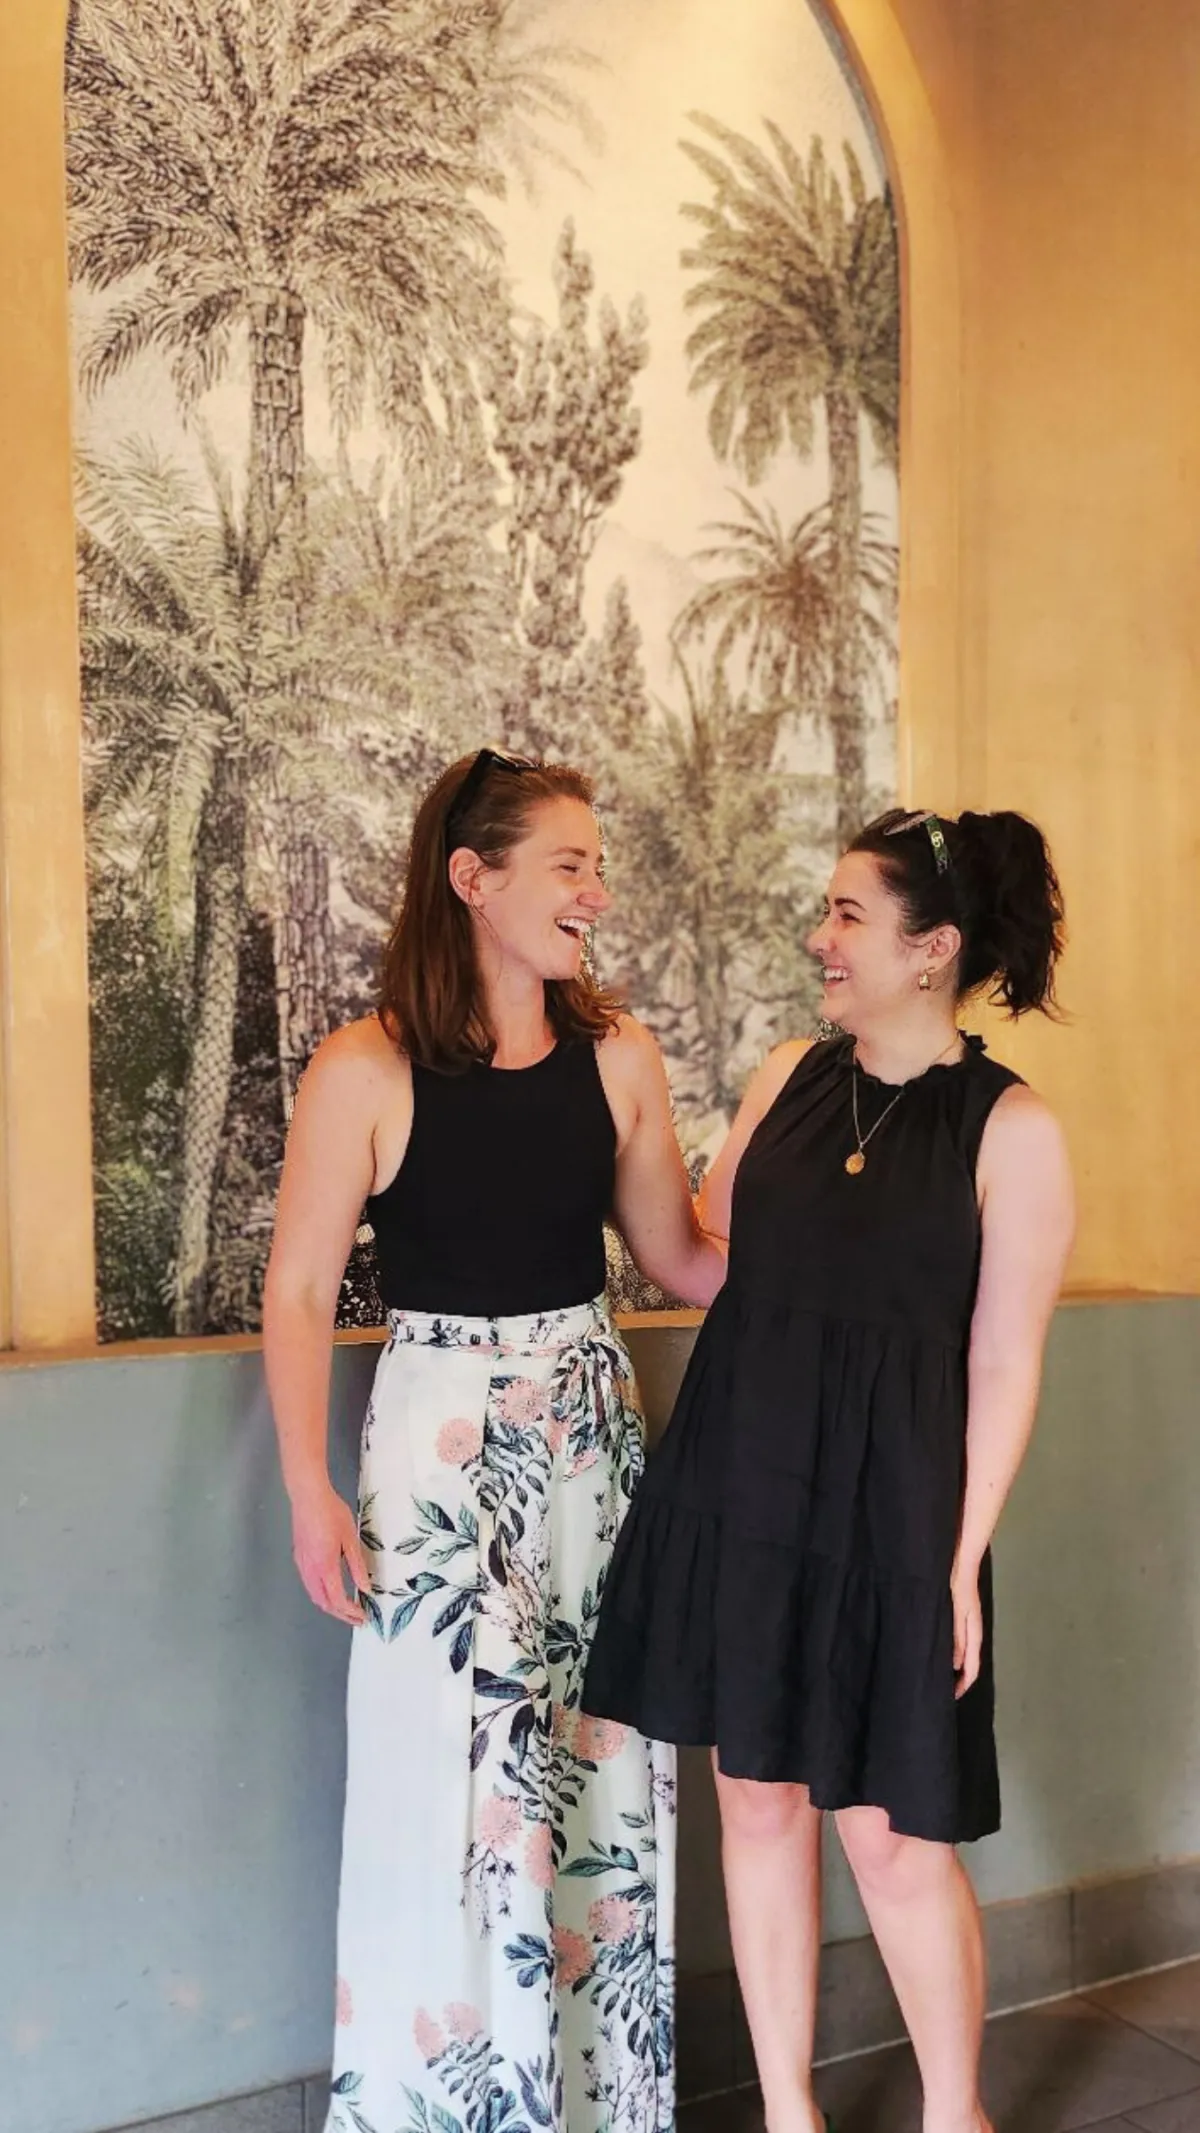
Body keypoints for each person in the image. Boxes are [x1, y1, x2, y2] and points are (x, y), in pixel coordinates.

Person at [583, 806, 1076, 2133]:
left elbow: (1003, 1366)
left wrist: (960, 1560)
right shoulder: (789, 1077)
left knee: (890, 1837)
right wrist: (600, 1130)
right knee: (756, 1802)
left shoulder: (1011, 1130)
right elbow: (701, 1260)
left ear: (935, 949)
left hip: (896, 1513)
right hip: (743, 1483)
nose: (820, 936)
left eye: (849, 914)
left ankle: (952, 2113)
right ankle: (791, 2114)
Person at [264, 749, 725, 2133]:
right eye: (568, 863)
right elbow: (295, 1289)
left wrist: (788, 1178)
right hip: (436, 1465)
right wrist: (308, 1489)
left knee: (598, 1772)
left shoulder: (621, 1057)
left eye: (596, 861)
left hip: (591, 1450)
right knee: (443, 1792)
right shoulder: (364, 1067)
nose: (596, 889)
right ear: (473, 880)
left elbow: (682, 1264)